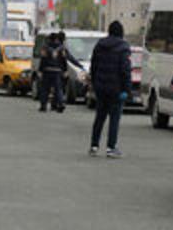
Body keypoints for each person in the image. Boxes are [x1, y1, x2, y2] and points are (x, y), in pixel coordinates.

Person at [87, 20, 132, 159]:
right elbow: (125, 70)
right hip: (116, 88)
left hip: (101, 88)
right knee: (114, 118)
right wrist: (126, 89)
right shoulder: (123, 47)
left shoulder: (99, 45)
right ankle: (111, 147)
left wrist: (95, 83)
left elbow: (93, 66)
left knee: (99, 117)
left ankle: (94, 146)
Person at [38, 31, 78, 113]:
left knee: (45, 89)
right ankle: (61, 103)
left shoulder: (45, 47)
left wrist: (40, 70)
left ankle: (43, 105)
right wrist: (65, 70)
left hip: (47, 70)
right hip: (57, 71)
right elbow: (64, 60)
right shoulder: (61, 48)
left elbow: (43, 59)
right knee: (58, 89)